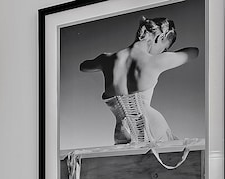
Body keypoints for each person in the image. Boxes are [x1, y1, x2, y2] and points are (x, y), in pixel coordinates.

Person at [79, 17, 199, 145]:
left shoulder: (106, 59)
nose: (163, 52)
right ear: (159, 38)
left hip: (122, 134)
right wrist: (166, 53)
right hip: (155, 130)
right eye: (164, 48)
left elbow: (83, 66)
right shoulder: (156, 61)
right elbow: (194, 51)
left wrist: (103, 62)